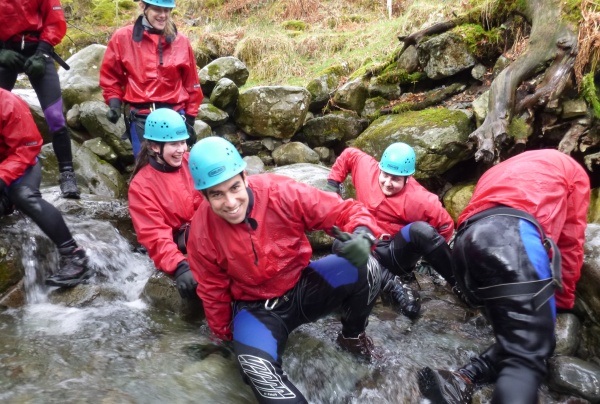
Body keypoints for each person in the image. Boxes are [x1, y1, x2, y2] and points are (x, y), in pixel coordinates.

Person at [186, 136, 383, 404]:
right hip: (257, 311)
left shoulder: (281, 193)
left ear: (244, 176)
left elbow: (342, 211)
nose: (231, 202)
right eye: (217, 194)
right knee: (259, 372)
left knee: (369, 267)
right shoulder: (201, 233)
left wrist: (362, 234)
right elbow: (213, 291)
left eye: (234, 187)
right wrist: (221, 340)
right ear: (204, 196)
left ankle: (351, 336)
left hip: (303, 286)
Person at [417, 149, 590, 404]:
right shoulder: (573, 172)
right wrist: (562, 303)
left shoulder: (500, 170)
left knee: (519, 338)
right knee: (526, 356)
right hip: (510, 241)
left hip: (466, 249)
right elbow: (569, 243)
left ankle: (462, 379)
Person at [325, 143, 456, 319]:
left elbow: (446, 225)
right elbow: (349, 154)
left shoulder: (420, 199)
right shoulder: (366, 168)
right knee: (340, 242)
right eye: (385, 175)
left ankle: (459, 284)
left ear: (407, 178)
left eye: (395, 179)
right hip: (364, 247)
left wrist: (430, 257)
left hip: (394, 253)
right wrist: (333, 183)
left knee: (421, 230)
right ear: (380, 169)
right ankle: (395, 286)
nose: (387, 182)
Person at [0, 88, 92, 287]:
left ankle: (75, 256)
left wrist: (3, 177)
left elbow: (27, 147)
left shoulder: (7, 102)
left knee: (23, 195)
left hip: (22, 163)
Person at [99, 0, 203, 158]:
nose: (163, 15)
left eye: (167, 10)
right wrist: (114, 104)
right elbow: (111, 76)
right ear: (143, 6)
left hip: (175, 115)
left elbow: (192, 84)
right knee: (145, 169)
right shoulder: (123, 38)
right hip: (141, 116)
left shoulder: (181, 42)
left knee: (175, 168)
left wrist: (189, 119)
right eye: (157, 9)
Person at [0, 0, 80, 199]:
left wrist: (43, 52)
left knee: (55, 117)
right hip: (4, 50)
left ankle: (67, 173)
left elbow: (55, 21)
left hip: (38, 49)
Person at [128, 108, 202, 299]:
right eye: (174, 144)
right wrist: (179, 266)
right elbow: (154, 235)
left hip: (206, 232)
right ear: (154, 147)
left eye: (183, 142)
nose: (182, 149)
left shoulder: (192, 162)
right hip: (182, 244)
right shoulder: (141, 187)